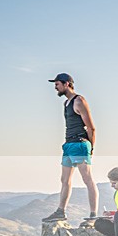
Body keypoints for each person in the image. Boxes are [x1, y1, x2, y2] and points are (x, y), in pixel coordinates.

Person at [43, 73, 98, 224]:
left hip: (80, 144)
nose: (55, 87)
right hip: (68, 145)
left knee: (87, 179)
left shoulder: (79, 101)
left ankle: (93, 215)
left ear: (67, 84)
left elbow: (91, 128)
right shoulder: (66, 103)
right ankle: (61, 211)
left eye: (57, 84)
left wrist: (91, 148)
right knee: (64, 179)